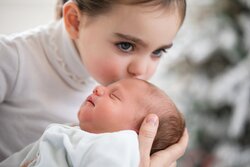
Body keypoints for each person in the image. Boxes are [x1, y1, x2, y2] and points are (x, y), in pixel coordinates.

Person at [0, 0, 188, 166]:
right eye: (126, 45)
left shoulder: (121, 90)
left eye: (158, 52)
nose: (141, 70)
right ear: (75, 21)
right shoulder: (9, 59)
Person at [1, 78, 185, 167]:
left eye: (114, 95)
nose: (99, 88)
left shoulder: (119, 147)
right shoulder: (80, 134)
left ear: (136, 133)